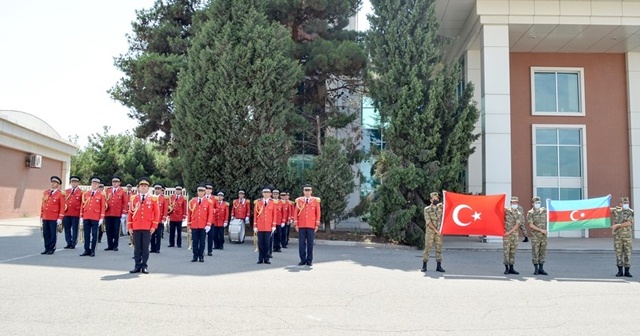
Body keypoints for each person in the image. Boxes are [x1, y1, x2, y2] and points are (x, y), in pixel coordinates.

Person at [127, 177, 159, 274]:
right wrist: (129, 226)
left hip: (147, 226)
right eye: (141, 186)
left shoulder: (153, 198)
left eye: (145, 186)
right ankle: (137, 265)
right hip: (136, 226)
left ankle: (144, 265)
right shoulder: (133, 198)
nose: (143, 188)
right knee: (137, 247)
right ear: (139, 187)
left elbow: (157, 213)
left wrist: (154, 226)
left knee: (145, 248)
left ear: (148, 188)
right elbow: (130, 213)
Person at [294, 184, 321, 266]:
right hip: (301, 225)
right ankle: (302, 260)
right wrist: (296, 224)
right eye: (306, 190)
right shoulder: (299, 201)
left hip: (311, 225)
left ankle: (309, 260)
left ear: (311, 191)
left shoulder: (315, 201)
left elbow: (318, 213)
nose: (307, 192)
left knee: (310, 243)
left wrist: (317, 224)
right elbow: (296, 213)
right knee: (301, 244)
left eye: (309, 191)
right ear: (303, 191)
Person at [80, 177, 105, 257]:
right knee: (86, 234)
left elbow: (102, 207)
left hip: (95, 217)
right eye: (93, 183)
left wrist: (101, 217)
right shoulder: (86, 194)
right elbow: (82, 205)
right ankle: (86, 249)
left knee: (94, 235)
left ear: (98, 185)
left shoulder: (101, 195)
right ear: (91, 184)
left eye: (96, 184)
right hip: (86, 216)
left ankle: (93, 250)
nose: (94, 185)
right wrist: (81, 216)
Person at [188, 184, 213, 262]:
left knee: (202, 242)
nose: (200, 192)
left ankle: (201, 256)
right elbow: (189, 213)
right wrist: (189, 223)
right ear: (197, 191)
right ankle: (195, 256)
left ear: (205, 192)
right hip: (195, 224)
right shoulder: (192, 201)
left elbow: (210, 214)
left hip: (203, 225)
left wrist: (208, 224)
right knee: (194, 241)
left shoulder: (209, 201)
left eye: (202, 191)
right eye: (199, 191)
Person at [40, 176, 65, 255]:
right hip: (46, 216)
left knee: (52, 233)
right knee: (45, 233)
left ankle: (52, 248)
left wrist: (60, 218)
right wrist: (41, 214)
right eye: (52, 182)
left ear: (58, 184)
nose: (52, 183)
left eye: (54, 182)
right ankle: (46, 248)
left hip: (54, 217)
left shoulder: (60, 194)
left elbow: (62, 206)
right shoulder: (46, 192)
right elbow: (43, 204)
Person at [421, 192, 445, 272]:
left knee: (439, 249)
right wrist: (436, 230)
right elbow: (428, 222)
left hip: (439, 233)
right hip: (430, 232)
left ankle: (439, 266)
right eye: (434, 199)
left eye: (437, 199)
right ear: (431, 200)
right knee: (427, 248)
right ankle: (424, 265)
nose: (435, 200)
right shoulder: (427, 209)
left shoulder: (441, 208)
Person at [104, 176, 127, 252]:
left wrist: (123, 213)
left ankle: (115, 245)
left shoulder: (122, 191)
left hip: (117, 213)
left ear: (119, 183)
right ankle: (109, 245)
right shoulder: (108, 190)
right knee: (108, 230)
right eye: (113, 182)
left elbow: (125, 202)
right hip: (108, 213)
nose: (114, 183)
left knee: (116, 230)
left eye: (116, 182)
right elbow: (104, 200)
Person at [254, 187, 276, 264]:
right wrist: (255, 226)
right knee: (260, 243)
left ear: (270, 194)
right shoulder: (258, 203)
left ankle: (266, 258)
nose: (266, 194)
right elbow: (255, 215)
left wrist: (273, 225)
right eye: (264, 193)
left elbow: (274, 215)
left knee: (267, 243)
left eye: (268, 193)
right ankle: (260, 258)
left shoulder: (273, 203)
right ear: (262, 194)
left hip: (268, 226)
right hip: (260, 226)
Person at [612, 197, 634, 277]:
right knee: (618, 254)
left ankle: (627, 271)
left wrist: (618, 225)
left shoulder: (630, 212)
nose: (626, 204)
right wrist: (608, 199)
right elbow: (606, 209)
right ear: (620, 203)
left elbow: (628, 223)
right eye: (624, 203)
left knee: (627, 254)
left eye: (627, 202)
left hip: (627, 237)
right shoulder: (616, 211)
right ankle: (620, 271)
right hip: (618, 237)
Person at [503, 196, 524, 275]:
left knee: (513, 252)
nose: (514, 204)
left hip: (514, 235)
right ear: (510, 203)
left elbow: (517, 225)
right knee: (506, 251)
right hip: (506, 235)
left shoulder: (519, 214)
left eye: (515, 202)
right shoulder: (506, 211)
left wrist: (509, 232)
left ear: (517, 203)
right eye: (512, 202)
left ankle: (512, 268)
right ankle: (506, 268)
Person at [527, 196, 548, 275]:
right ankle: (536, 269)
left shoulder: (543, 211)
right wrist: (541, 230)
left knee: (543, 252)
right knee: (535, 252)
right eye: (536, 203)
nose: (538, 204)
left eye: (539, 203)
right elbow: (531, 225)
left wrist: (549, 203)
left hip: (543, 236)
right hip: (536, 236)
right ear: (532, 204)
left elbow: (551, 213)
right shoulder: (530, 213)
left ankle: (541, 269)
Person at [62, 175, 82, 249]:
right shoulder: (66, 192)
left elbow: (82, 203)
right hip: (66, 213)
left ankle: (73, 243)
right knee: (67, 228)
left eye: (75, 182)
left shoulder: (81, 192)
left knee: (74, 229)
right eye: (72, 182)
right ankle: (68, 242)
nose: (74, 183)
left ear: (78, 183)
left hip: (75, 213)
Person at [150, 184, 168, 253]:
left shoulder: (164, 198)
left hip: (159, 219)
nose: (157, 190)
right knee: (152, 234)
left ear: (161, 190)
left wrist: (164, 218)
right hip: (152, 219)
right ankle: (152, 248)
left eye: (158, 189)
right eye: (156, 189)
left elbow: (165, 209)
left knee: (158, 234)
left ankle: (157, 248)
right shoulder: (151, 197)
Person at [271, 189, 285, 254]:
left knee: (279, 235)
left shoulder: (281, 202)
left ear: (278, 195)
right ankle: (273, 247)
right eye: (274, 194)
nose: (275, 195)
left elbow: (283, 212)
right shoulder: (270, 201)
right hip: (272, 222)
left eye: (276, 194)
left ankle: (278, 247)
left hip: (279, 221)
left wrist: (283, 221)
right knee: (272, 235)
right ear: (272, 194)